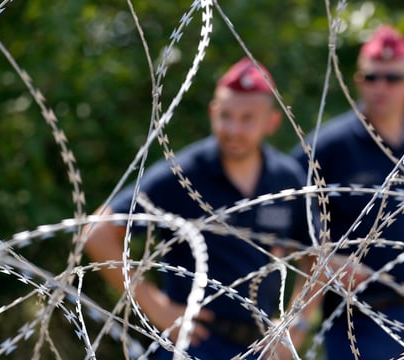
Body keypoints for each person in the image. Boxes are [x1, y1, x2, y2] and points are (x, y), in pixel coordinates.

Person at [83, 57, 317, 359]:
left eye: (247, 118)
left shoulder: (286, 178)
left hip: (259, 347)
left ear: (271, 122)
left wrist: (295, 325)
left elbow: (316, 256)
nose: (233, 129)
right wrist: (157, 309)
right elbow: (97, 232)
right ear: (212, 112)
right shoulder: (183, 174)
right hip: (194, 345)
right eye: (226, 116)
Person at [291, 25, 404, 359]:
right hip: (354, 312)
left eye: (392, 78)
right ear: (358, 82)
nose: (381, 87)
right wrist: (323, 258)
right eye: (371, 77)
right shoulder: (328, 145)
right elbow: (291, 209)